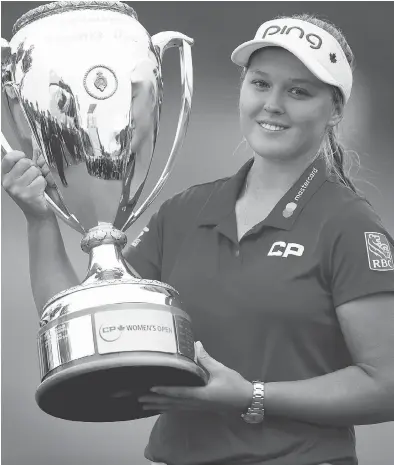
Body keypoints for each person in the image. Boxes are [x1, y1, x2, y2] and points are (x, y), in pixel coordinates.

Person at [2, 13, 394, 465]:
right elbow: (83, 333)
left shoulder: (349, 227)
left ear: (336, 109)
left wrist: (251, 396)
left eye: (299, 91)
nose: (273, 104)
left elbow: (385, 384)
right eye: (260, 84)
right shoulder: (187, 212)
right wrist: (40, 220)